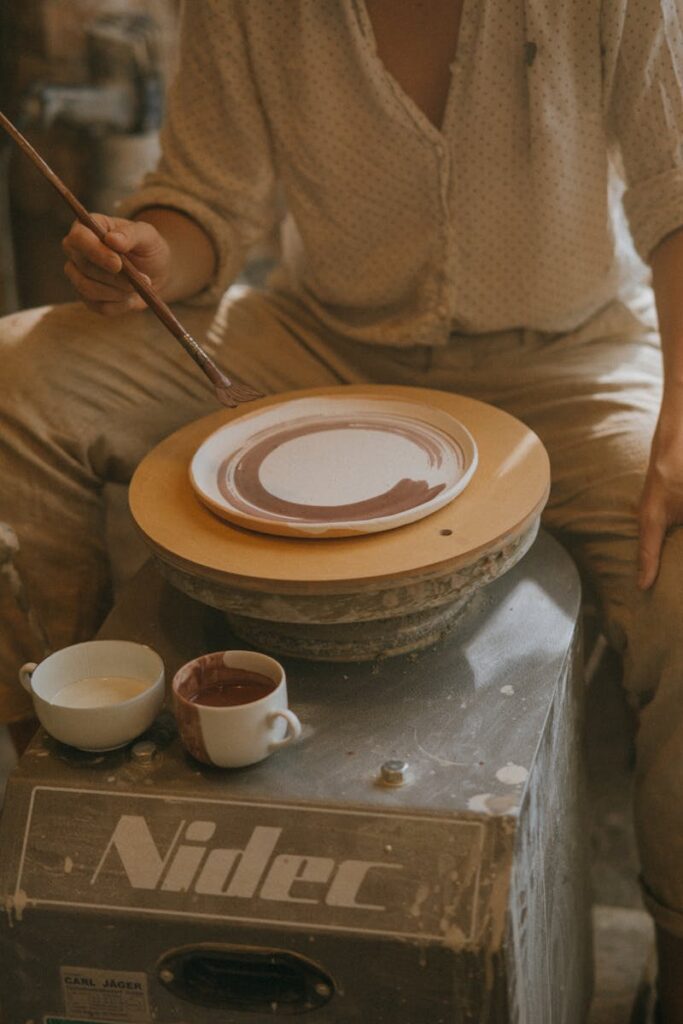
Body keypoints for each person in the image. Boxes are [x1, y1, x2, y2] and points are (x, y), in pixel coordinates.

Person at [1, 0, 682, 1017]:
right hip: (323, 346)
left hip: (571, 358)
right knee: (19, 377)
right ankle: (57, 801)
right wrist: (152, 252)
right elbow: (206, 201)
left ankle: (676, 943)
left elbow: (675, 195)